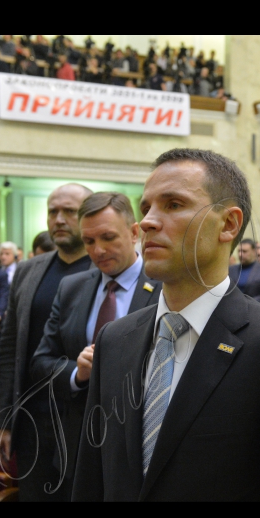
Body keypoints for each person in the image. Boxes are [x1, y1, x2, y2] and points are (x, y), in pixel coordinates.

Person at [72, 148, 260, 501]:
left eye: (173, 204)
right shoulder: (115, 340)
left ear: (228, 224)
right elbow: (92, 479)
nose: (147, 222)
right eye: (146, 207)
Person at [30, 193, 162, 496]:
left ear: (133, 233)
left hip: (141, 446)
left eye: (108, 237)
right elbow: (41, 362)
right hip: (77, 447)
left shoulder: (165, 285)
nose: (98, 250)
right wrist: (77, 374)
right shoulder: (72, 287)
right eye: (89, 241)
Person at [0, 184, 94, 502]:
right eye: (53, 211)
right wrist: (2, 420)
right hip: (32, 417)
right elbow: (9, 350)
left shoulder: (104, 267)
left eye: (70, 212)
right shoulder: (28, 270)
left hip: (87, 419)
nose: (59, 219)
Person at [229, 238, 260, 304]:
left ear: (254, 252)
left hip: (255, 309)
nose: (240, 254)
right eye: (239, 251)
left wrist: (249, 302)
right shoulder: (231, 269)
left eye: (244, 251)